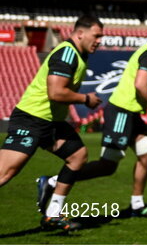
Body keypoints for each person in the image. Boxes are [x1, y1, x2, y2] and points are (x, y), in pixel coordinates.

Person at [39, 20, 147, 219]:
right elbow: (140, 84)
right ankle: (53, 182)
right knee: (107, 166)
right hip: (121, 112)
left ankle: (137, 205)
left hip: (131, 112)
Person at [0, 16, 103, 232]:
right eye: (96, 35)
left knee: (77, 156)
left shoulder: (80, 54)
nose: (99, 41)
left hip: (51, 122)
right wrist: (86, 99)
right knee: (5, 173)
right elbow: (56, 92)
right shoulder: (67, 53)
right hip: (32, 118)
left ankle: (53, 215)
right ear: (80, 33)